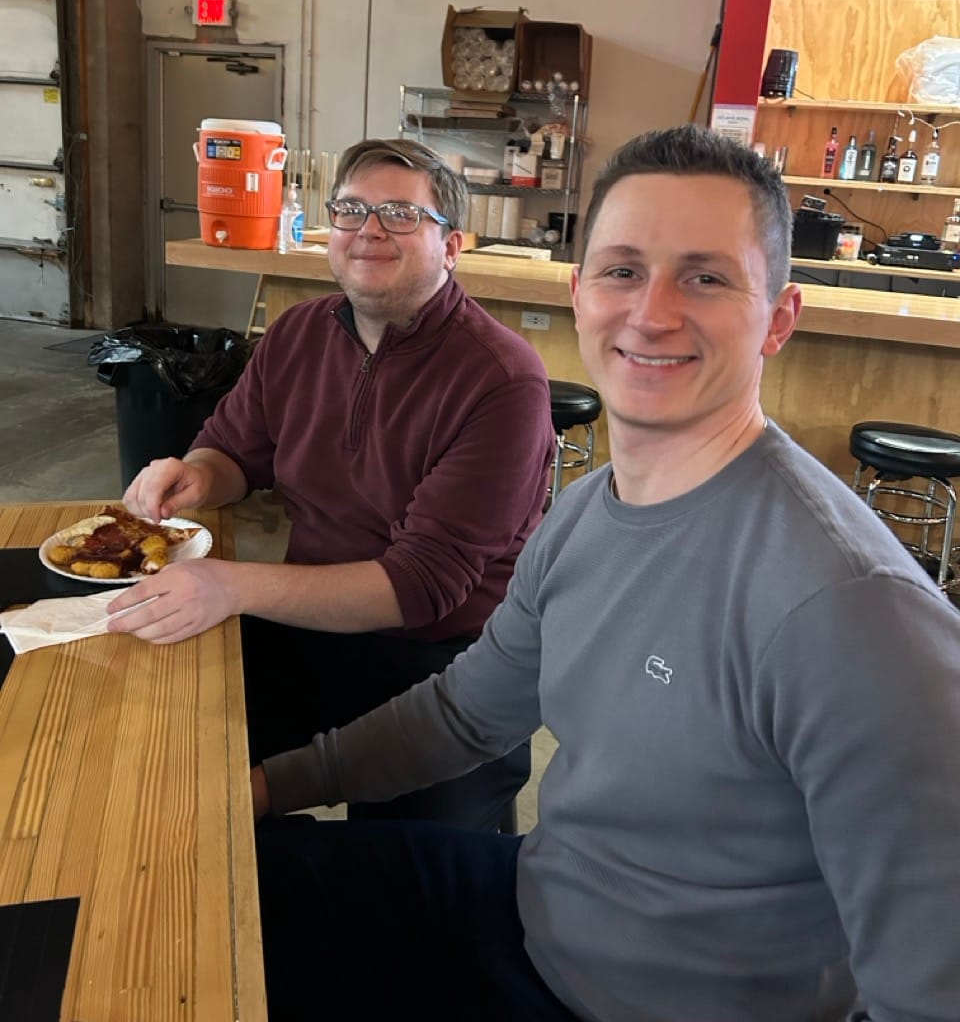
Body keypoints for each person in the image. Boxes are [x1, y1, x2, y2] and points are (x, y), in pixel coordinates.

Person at [251, 125, 960, 1022]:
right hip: (539, 908)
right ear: (580, 295)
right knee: (220, 881)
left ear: (780, 318)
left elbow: (931, 985)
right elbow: (466, 714)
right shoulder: (586, 511)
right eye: (623, 270)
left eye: (706, 278)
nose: (651, 314)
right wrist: (271, 787)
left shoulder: (853, 611)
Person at [109, 137, 555, 831]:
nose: (369, 229)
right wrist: (195, 475)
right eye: (350, 210)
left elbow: (420, 588)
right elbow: (235, 452)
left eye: (400, 214)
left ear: (451, 247)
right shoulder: (297, 334)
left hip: (444, 666)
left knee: (412, 880)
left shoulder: (502, 379)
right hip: (309, 625)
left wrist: (231, 586)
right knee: (174, 764)